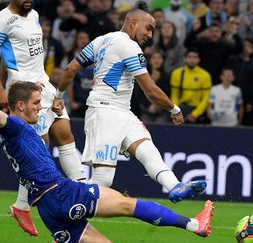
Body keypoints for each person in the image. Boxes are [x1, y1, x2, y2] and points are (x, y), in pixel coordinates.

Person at [0, 72, 214, 242]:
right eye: (35, 103)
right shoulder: (13, 125)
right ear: (19, 107)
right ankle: (194, 224)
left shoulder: (22, 128)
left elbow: (23, 111)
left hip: (48, 210)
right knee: (128, 205)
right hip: (61, 193)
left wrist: (40, 91)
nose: (39, 106)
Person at [52, 9, 208, 203]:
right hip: (105, 112)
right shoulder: (130, 47)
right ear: (134, 23)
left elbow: (70, 68)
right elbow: (150, 90)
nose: (150, 35)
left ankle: (175, 185)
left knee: (146, 148)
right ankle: (64, 203)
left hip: (122, 112)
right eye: (148, 28)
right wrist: (174, 109)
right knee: (103, 179)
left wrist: (58, 96)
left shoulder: (101, 40)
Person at [0, 0, 85, 236]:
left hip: (44, 85)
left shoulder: (35, 14)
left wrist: (0, 82)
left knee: (65, 133)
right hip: (23, 90)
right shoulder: (1, 20)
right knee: (39, 145)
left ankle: (81, 187)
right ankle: (22, 205)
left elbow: (9, 56)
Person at [170, 48, 212, 124]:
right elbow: (174, 95)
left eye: (195, 57)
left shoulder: (205, 75)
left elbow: (206, 98)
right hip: (181, 109)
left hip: (197, 111)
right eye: (189, 57)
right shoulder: (176, 73)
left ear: (199, 60)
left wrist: (195, 114)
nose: (192, 60)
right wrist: (176, 111)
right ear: (184, 59)